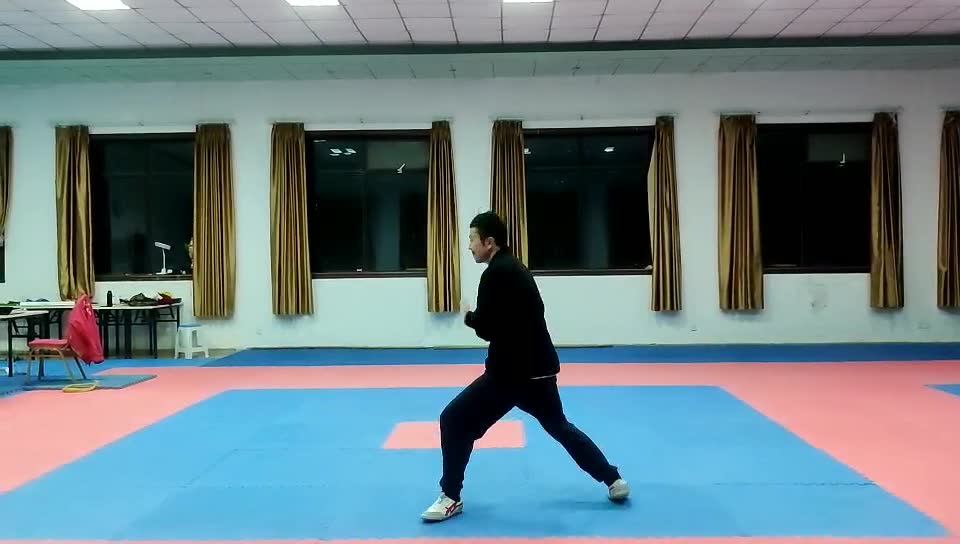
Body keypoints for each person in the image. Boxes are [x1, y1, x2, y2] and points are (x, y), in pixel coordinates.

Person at [421, 211, 629, 522]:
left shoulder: (495, 274)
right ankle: (613, 479)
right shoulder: (516, 268)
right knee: (560, 426)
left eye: (472, 239)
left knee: (453, 420)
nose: (469, 246)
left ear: (489, 242)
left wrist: (468, 317)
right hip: (538, 370)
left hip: (510, 375)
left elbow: (488, 328)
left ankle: (451, 496)